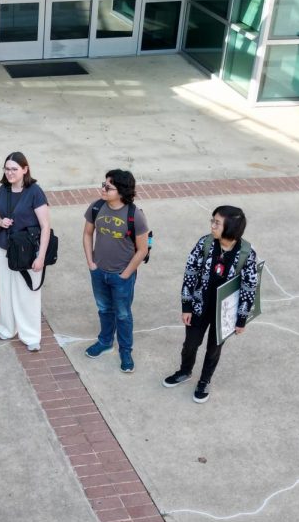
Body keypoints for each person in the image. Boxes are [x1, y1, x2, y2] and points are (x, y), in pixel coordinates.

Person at [162, 206, 259, 403]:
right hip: (199, 306)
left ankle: (204, 381)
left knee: (214, 349)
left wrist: (241, 319)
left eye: (217, 222)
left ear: (230, 228)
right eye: (212, 220)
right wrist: (186, 306)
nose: (212, 225)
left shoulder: (246, 253)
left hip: (224, 313)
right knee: (190, 344)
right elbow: (190, 273)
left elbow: (250, 287)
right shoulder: (205, 243)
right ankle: (185, 371)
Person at [82, 169, 149, 373]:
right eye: (103, 184)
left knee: (122, 314)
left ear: (121, 191)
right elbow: (87, 234)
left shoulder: (134, 215)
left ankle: (126, 350)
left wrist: (126, 274)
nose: (103, 189)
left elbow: (143, 249)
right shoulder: (96, 207)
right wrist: (91, 263)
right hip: (98, 271)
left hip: (122, 275)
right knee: (104, 309)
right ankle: (105, 341)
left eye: (108, 187)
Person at [0, 152, 50, 352]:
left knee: (27, 293)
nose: (10, 173)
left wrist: (41, 256)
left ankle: (31, 335)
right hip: (5, 246)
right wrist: (1, 221)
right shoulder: (3, 190)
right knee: (5, 289)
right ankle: (7, 328)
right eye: (7, 169)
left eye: (14, 169)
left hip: (27, 250)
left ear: (25, 169)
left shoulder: (35, 192)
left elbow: (45, 226)